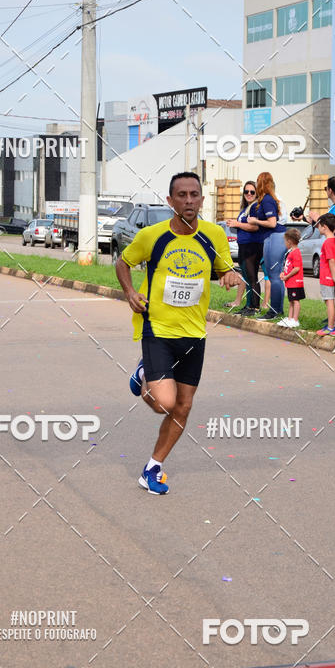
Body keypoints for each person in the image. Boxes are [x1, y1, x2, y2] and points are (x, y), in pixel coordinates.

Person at [116, 172, 241, 495]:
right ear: (170, 201)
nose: (189, 200)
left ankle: (152, 468)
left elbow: (224, 268)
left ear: (202, 199)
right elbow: (123, 262)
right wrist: (130, 293)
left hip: (194, 333)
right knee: (164, 403)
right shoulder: (151, 235)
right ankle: (144, 373)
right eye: (182, 195)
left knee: (183, 407)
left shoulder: (214, 234)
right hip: (157, 327)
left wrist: (229, 276)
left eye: (194, 194)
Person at [240, 172, 287, 319]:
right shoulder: (269, 199)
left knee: (274, 276)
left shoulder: (267, 200)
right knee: (275, 276)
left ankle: (275, 310)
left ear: (261, 184)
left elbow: (272, 223)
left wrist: (255, 221)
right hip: (273, 237)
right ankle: (276, 309)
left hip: (274, 237)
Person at [225, 180, 263, 314]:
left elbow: (255, 226)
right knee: (247, 277)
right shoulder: (245, 208)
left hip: (252, 246)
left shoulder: (255, 207)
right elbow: (243, 226)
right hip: (243, 245)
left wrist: (238, 224)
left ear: (256, 193)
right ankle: (248, 305)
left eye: (252, 192)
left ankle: (255, 307)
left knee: (252, 277)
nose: (249, 194)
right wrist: (234, 224)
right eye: (246, 191)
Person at [315, 213, 335, 335]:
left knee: (329, 301)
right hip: (331, 276)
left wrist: (334, 276)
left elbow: (331, 260)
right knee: (329, 300)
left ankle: (330, 326)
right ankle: (332, 324)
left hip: (328, 277)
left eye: (318, 225)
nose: (317, 228)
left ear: (324, 226)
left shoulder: (328, 242)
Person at [279, 228, 304, 328]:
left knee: (295, 301)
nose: (284, 243)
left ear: (289, 241)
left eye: (285, 241)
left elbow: (297, 268)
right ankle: (290, 319)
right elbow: (289, 266)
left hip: (295, 282)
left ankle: (295, 320)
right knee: (291, 300)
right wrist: (283, 274)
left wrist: (287, 276)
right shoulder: (291, 252)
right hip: (290, 282)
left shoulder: (296, 252)